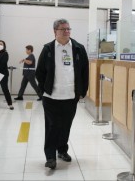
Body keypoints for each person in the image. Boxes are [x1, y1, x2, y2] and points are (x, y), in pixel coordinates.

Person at [35, 18, 89, 170]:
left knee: (66, 125)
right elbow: (40, 72)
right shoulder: (48, 49)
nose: (67, 32)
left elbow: (85, 72)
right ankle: (50, 156)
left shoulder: (78, 48)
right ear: (55, 32)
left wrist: (82, 91)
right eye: (63, 29)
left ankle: (62, 151)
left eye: (68, 29)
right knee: (52, 126)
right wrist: (45, 89)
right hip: (51, 96)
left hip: (71, 96)